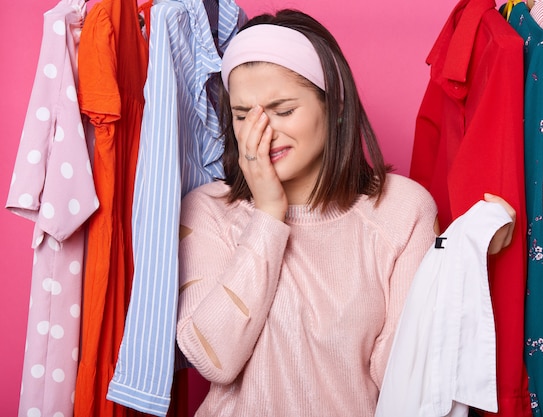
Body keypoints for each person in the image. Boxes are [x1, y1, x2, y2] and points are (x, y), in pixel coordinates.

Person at [175, 9, 515, 417]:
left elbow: (406, 378)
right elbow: (214, 359)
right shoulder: (207, 210)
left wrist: (466, 251)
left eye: (283, 111)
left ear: (335, 106)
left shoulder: (402, 210)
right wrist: (267, 214)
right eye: (244, 115)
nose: (261, 133)